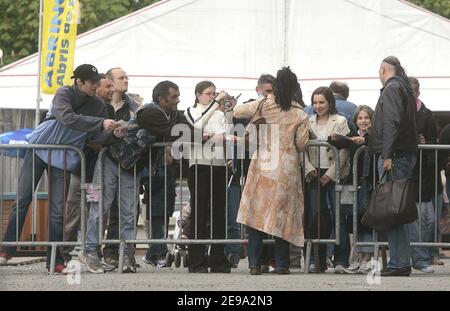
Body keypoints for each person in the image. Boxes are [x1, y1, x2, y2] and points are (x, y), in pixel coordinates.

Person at [0, 64, 120, 274]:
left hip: (64, 157)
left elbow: (93, 138)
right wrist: (101, 123)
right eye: (92, 83)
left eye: (96, 82)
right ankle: (5, 250)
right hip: (39, 149)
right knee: (22, 201)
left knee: (58, 212)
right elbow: (68, 118)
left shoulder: (99, 106)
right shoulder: (63, 93)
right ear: (78, 82)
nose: (95, 86)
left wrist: (112, 135)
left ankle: (55, 261)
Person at [233, 67, 309, 275]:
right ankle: (282, 264)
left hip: (263, 164)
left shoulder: (264, 105)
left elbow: (237, 111)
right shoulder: (300, 114)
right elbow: (302, 144)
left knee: (256, 215)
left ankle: (254, 264)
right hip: (286, 168)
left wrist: (265, 98)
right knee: (281, 216)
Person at [368, 56, 418, 277]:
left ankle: (398, 263)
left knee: (393, 209)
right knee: (399, 208)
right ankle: (400, 261)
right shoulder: (405, 88)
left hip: (394, 155)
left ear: (382, 70)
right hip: (402, 153)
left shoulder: (391, 89)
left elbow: (391, 122)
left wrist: (387, 155)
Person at [61, 74, 116, 268]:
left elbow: (102, 138)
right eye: (107, 86)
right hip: (81, 170)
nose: (111, 89)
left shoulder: (106, 109)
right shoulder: (84, 105)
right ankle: (63, 253)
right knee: (74, 210)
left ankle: (92, 251)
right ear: (96, 88)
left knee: (97, 211)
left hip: (96, 173)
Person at [184, 81, 236, 273]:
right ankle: (196, 260)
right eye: (208, 94)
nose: (212, 97)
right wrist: (216, 105)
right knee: (199, 211)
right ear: (198, 95)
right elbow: (197, 126)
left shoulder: (220, 113)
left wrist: (228, 111)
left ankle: (218, 259)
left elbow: (228, 133)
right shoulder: (191, 110)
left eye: (214, 94)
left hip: (219, 165)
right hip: (199, 165)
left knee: (219, 212)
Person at [304, 86, 350, 273]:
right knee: (316, 217)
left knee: (338, 217)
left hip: (334, 173)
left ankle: (341, 260)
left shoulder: (340, 121)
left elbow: (345, 149)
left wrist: (330, 174)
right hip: (314, 172)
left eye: (321, 102)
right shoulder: (307, 122)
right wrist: (308, 169)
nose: (318, 106)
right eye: (315, 102)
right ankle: (318, 260)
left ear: (330, 102)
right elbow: (301, 148)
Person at [328, 105, 375, 273]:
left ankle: (367, 259)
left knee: (367, 220)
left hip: (370, 182)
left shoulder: (376, 135)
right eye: (360, 118)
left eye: (366, 118)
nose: (363, 121)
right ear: (355, 121)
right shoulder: (353, 135)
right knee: (354, 219)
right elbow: (338, 142)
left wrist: (366, 141)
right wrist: (333, 138)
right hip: (354, 182)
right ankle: (357, 258)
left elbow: (378, 143)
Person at [408, 76, 439, 273]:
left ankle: (424, 256)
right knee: (415, 219)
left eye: (411, 91)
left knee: (429, 219)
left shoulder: (427, 115)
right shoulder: (399, 113)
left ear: (417, 92)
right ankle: (419, 259)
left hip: (424, 174)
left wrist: (425, 143)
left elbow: (434, 144)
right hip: (406, 174)